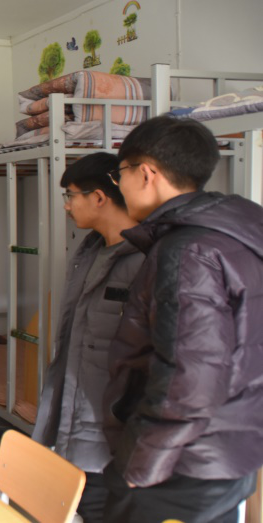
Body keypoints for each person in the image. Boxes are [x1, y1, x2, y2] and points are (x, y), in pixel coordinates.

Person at [103, 116, 263, 522]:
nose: (119, 186)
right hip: (228, 447)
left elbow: (190, 374)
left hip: (182, 461)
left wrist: (141, 462)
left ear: (146, 173)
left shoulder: (188, 250)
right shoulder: (237, 233)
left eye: (120, 174)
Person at [30, 153, 143, 522]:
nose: (66, 206)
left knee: (100, 505)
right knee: (79, 500)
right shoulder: (91, 250)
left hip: (112, 421)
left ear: (98, 197)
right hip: (77, 405)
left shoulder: (146, 259)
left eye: (70, 195)